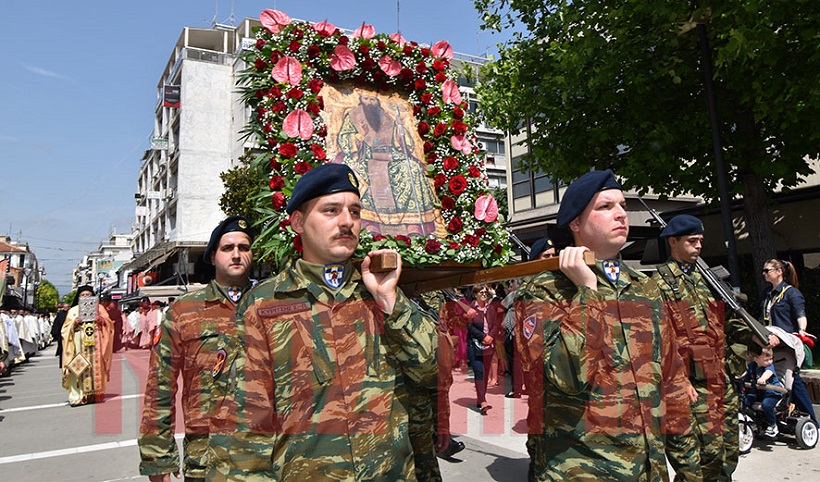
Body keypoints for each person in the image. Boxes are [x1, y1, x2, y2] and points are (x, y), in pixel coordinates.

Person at [206, 163, 438, 480]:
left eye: (355, 212)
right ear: (298, 222)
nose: (347, 222)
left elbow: (430, 371)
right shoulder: (263, 305)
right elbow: (241, 432)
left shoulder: (381, 294)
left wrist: (389, 301)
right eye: (331, 210)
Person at [514, 169, 694, 481]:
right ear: (575, 224)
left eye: (622, 205)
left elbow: (672, 381)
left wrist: (690, 468)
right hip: (582, 471)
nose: (621, 215)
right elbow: (568, 376)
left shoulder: (644, 288)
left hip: (650, 471)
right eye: (605, 207)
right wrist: (587, 291)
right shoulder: (544, 291)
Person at [139, 215, 256, 482]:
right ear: (213, 257)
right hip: (206, 457)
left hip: (266, 456)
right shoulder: (184, 309)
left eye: (244, 248)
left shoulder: (271, 306)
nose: (236, 254)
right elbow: (161, 384)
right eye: (228, 248)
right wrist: (157, 458)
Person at [653, 214, 762, 481]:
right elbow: (657, 341)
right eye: (692, 241)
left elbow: (728, 321)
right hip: (690, 387)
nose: (699, 246)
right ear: (673, 242)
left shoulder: (707, 280)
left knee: (727, 456)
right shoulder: (658, 284)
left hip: (720, 381)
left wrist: (755, 338)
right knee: (696, 466)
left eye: (700, 240)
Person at [333, 92, 441, 237]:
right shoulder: (354, 116)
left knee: (413, 169)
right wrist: (360, 136)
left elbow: (403, 144)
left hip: (390, 157)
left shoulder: (386, 117)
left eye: (373, 100)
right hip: (365, 157)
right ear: (360, 100)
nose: (369, 103)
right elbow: (344, 140)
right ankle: (370, 224)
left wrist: (400, 129)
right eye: (366, 99)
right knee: (356, 172)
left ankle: (412, 226)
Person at [760, 259, 818, 424]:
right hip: (770, 342)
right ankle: (774, 417)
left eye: (767, 270)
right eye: (763, 271)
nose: (764, 273)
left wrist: (802, 331)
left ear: (779, 272)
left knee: (794, 381)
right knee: (772, 381)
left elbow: (801, 315)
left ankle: (812, 422)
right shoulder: (766, 294)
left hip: (787, 344)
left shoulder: (791, 293)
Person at [60, 285, 114, 406]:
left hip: (96, 343)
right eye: (83, 295)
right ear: (79, 297)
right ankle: (77, 396)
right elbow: (64, 330)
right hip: (79, 343)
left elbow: (109, 325)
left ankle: (94, 394)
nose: (85, 297)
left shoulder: (100, 309)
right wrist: (74, 323)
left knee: (96, 367)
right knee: (78, 367)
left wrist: (102, 321)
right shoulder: (73, 311)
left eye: (88, 295)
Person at [466, 284, 504, 415]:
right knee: (479, 372)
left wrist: (491, 337)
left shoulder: (491, 308)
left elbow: (495, 324)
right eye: (481, 292)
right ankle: (483, 402)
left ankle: (480, 398)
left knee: (486, 372)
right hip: (475, 345)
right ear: (475, 294)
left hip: (489, 344)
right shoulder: (471, 309)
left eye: (485, 292)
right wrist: (483, 336)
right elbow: (470, 327)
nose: (483, 294)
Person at [741, 345, 784, 437]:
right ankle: (754, 422)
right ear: (756, 359)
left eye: (771, 359)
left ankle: (773, 426)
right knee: (746, 400)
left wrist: (763, 379)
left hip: (773, 393)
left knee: (767, 404)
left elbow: (768, 373)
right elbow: (746, 374)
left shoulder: (769, 367)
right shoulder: (752, 366)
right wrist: (739, 378)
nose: (770, 362)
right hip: (760, 392)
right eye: (766, 360)